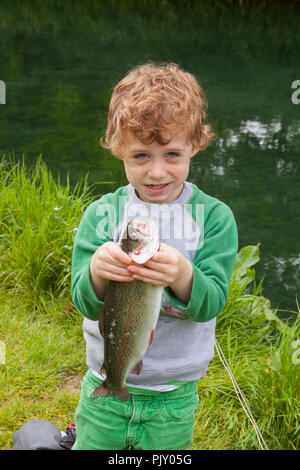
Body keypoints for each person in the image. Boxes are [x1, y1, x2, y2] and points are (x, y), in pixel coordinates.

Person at [71, 62, 238, 450]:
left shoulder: (214, 218)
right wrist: (96, 271)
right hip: (103, 379)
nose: (157, 172)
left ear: (196, 145)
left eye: (173, 154)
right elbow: (82, 299)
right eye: (141, 156)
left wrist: (182, 273)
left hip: (173, 394)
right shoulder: (102, 214)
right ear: (118, 149)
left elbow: (211, 302)